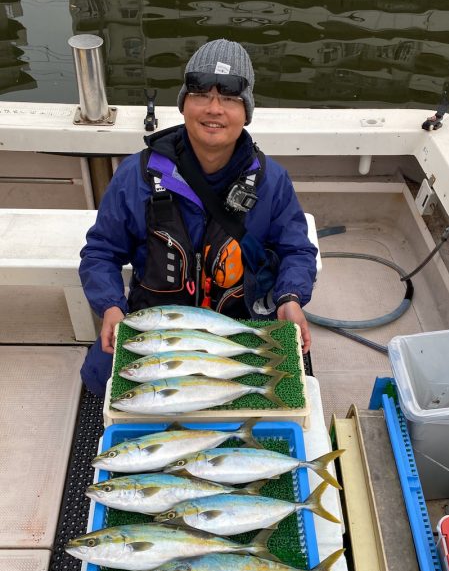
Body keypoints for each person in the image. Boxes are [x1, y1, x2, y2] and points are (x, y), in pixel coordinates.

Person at [79, 39, 317, 397]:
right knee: (101, 377)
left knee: (282, 385)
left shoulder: (272, 181)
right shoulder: (136, 175)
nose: (214, 109)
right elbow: (101, 252)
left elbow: (296, 250)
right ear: (183, 104)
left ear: (247, 111)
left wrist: (290, 297)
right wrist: (110, 305)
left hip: (240, 321)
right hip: (158, 321)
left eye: (230, 98)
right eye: (201, 94)